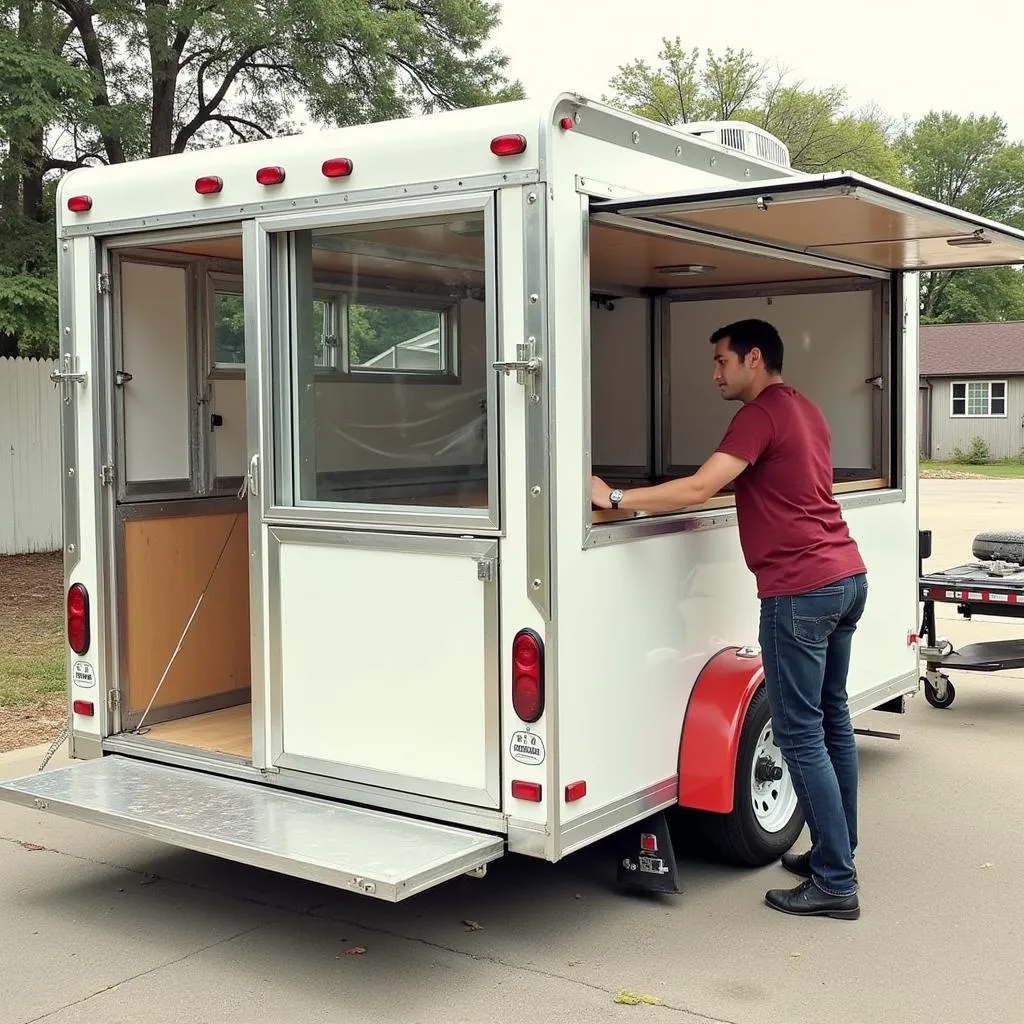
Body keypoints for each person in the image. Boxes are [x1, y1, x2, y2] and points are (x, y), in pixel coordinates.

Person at [591, 318, 867, 921]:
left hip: (800, 590)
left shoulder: (759, 413)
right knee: (832, 722)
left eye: (722, 361)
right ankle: (836, 851)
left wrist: (612, 498)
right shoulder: (805, 408)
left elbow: (699, 488)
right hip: (846, 578)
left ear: (754, 359)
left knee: (799, 734)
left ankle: (835, 881)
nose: (714, 373)